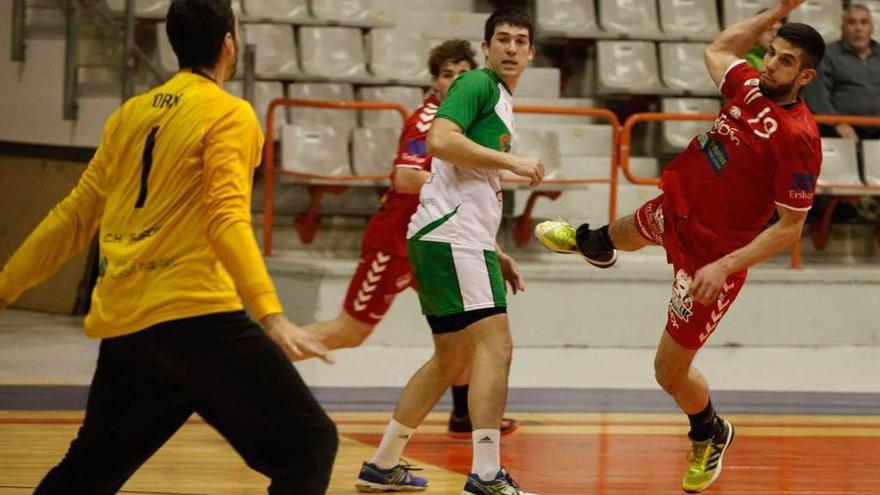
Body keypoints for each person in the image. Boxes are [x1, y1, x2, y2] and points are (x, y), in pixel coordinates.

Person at [0, 1, 338, 493]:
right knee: (309, 446)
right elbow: (227, 218)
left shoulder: (129, 115)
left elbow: (73, 217)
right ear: (229, 43)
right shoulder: (229, 114)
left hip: (131, 324)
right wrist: (271, 314)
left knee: (89, 471)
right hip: (196, 317)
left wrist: (5, 287)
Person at [535, 1, 824, 493]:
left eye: (785, 61)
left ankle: (710, 432)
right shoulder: (747, 86)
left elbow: (790, 227)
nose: (770, 65)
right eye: (770, 54)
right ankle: (594, 243)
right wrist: (774, 12)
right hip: (680, 207)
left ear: (806, 76)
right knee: (630, 228)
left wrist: (726, 266)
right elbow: (720, 48)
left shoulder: (799, 138)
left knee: (668, 372)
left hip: (714, 258)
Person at [355, 8, 544, 495]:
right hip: (451, 237)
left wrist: (494, 248)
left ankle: (383, 463)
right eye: (501, 39)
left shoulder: (499, 98)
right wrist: (512, 162)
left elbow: (466, 181)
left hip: (451, 238)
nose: (510, 48)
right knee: (495, 347)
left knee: (450, 358)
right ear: (486, 48)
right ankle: (485, 474)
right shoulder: (477, 84)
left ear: (531, 53)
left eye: (520, 41)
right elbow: (439, 141)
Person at [298, 40, 519, 439]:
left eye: (462, 74)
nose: (455, 81)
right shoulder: (429, 120)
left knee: (466, 331)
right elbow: (405, 177)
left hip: (441, 240)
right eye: (447, 74)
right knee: (350, 331)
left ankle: (463, 415)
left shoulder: (471, 122)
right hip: (398, 241)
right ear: (434, 81)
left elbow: (469, 200)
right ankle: (250, 368)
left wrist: (495, 246)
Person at [804, 4, 880, 141]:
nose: (858, 28)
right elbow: (817, 95)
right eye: (852, 22)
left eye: (864, 22)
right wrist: (837, 123)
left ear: (871, 28)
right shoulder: (827, 55)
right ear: (843, 28)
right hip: (838, 131)